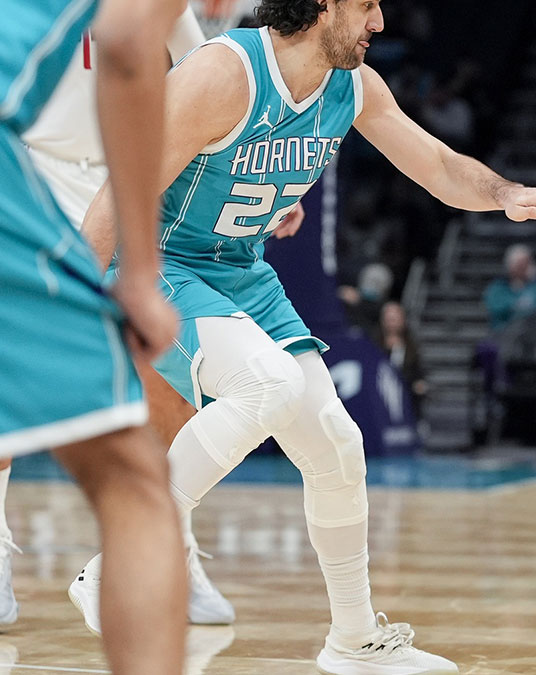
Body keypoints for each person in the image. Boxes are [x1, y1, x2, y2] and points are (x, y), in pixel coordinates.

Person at [81, 0, 536, 672]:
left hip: (239, 272)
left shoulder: (354, 85)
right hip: (163, 263)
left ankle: (352, 640)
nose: (379, 22)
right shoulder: (223, 75)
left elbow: (435, 163)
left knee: (338, 445)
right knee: (269, 382)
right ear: (320, 5)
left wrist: (507, 193)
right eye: (367, 4)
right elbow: (122, 192)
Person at [15, 2, 265, 633]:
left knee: (167, 381)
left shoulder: (160, 9)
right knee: (8, 368)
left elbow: (198, 79)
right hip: (27, 173)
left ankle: (177, 544)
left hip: (119, 181)